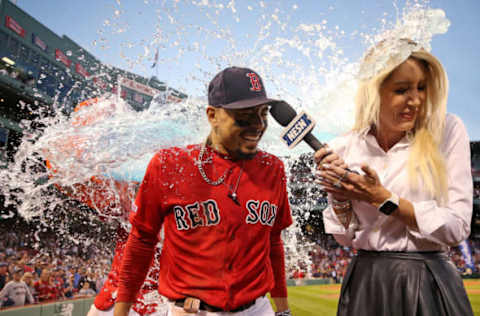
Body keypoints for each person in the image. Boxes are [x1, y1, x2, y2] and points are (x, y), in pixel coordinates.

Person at [114, 66, 293, 316]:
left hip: (257, 309)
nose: (258, 125)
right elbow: (142, 240)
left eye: (263, 114)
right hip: (192, 311)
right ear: (212, 115)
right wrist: (121, 312)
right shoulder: (169, 164)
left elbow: (273, 242)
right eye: (244, 116)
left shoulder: (273, 168)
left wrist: (283, 310)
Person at [314, 39, 474, 315]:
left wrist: (383, 199)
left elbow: (457, 227)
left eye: (422, 88)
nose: (416, 100)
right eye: (402, 90)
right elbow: (344, 237)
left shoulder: (447, 130)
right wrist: (339, 197)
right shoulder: (343, 147)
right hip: (365, 280)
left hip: (428, 279)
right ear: (373, 92)